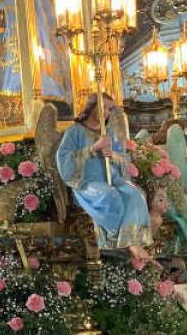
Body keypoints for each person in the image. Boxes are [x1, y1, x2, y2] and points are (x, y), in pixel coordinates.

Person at [56, 93, 152, 261]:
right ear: (91, 107)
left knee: (136, 195)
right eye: (103, 107)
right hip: (87, 183)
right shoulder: (74, 132)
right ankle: (124, 244)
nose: (106, 112)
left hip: (112, 178)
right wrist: (93, 149)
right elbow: (64, 161)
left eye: (109, 108)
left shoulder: (108, 132)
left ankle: (131, 239)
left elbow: (123, 159)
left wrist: (113, 154)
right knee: (110, 195)